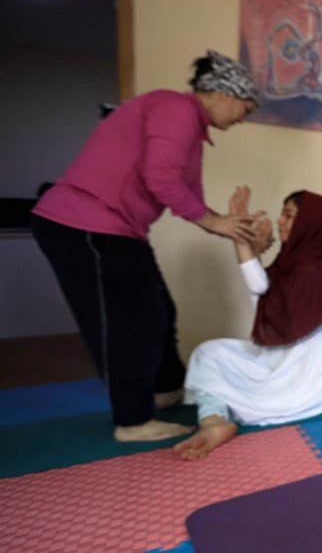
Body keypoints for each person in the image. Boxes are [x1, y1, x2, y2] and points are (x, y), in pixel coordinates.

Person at [31, 50, 263, 442]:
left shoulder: (194, 133)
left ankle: (165, 391)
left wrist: (227, 226)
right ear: (223, 94)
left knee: (159, 310)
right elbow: (162, 180)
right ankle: (133, 420)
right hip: (86, 225)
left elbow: (189, 193)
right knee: (130, 323)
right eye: (245, 107)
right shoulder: (176, 109)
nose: (244, 117)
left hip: (120, 230)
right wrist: (214, 221)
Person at [174, 188, 322, 460]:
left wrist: (244, 244)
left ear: (309, 224)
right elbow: (264, 291)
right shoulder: (295, 260)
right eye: (282, 213)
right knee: (208, 353)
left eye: (289, 216)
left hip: (304, 376)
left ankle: (215, 415)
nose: (280, 221)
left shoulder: (312, 270)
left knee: (232, 382)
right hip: (280, 356)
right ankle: (214, 421)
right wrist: (246, 246)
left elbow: (266, 307)